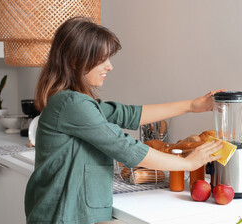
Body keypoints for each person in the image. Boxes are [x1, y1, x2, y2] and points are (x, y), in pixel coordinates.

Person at [24, 16, 224, 224]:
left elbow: (128, 114)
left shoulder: (72, 102)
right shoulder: (72, 104)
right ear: (75, 62)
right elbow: (125, 148)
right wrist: (187, 163)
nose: (109, 66)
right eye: (102, 59)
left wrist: (192, 106)